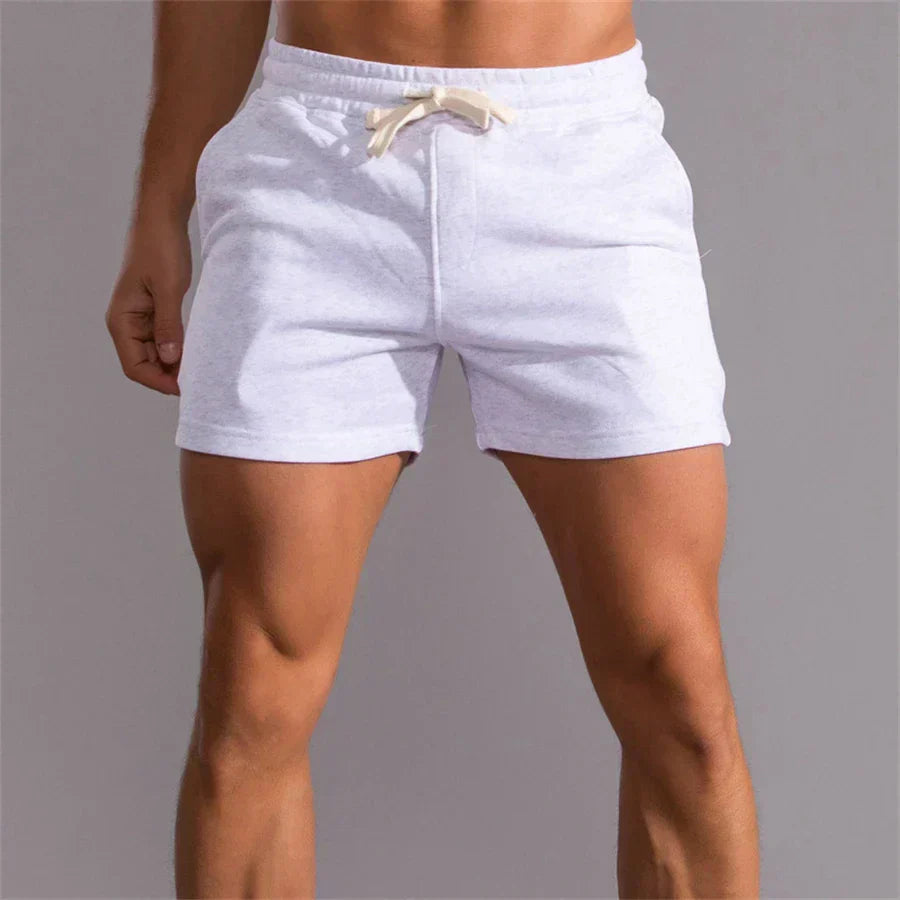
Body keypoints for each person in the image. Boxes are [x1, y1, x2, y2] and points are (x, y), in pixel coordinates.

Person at [106, 0, 760, 896]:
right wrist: (159, 205)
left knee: (676, 684)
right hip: (315, 166)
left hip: (581, 163)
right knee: (254, 684)